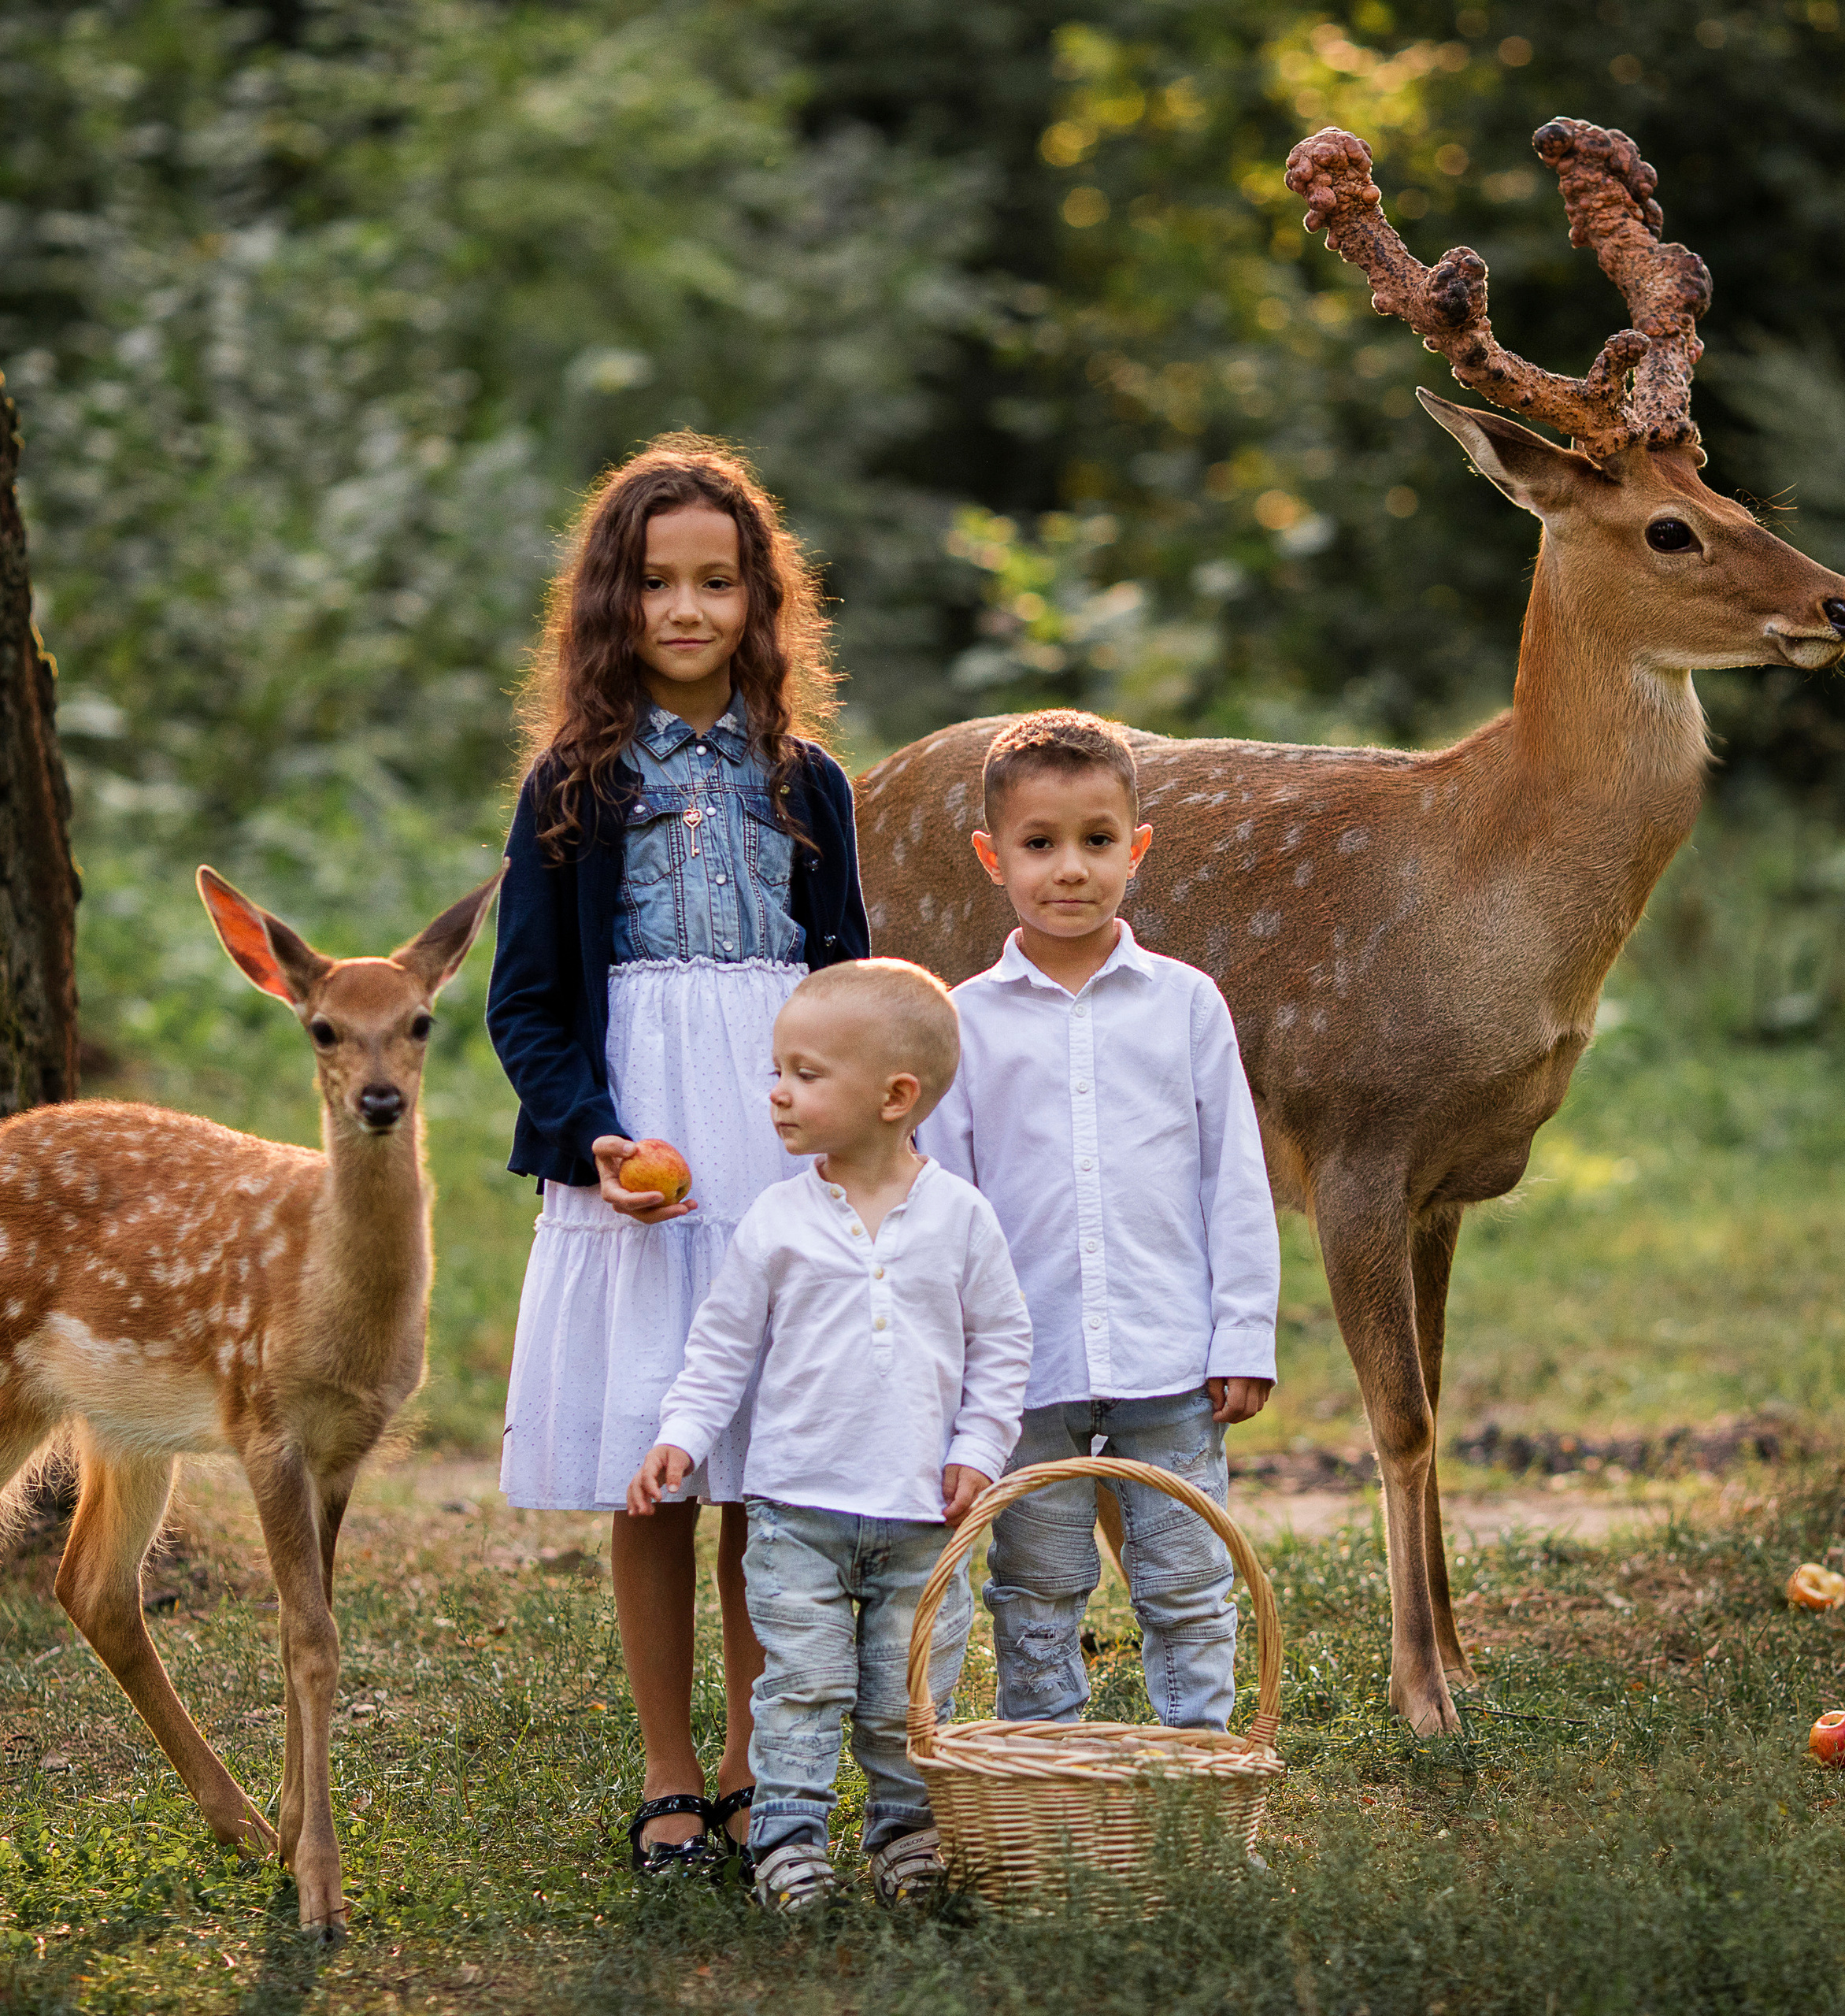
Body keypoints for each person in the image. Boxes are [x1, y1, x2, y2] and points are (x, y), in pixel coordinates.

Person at [487, 434, 869, 1878]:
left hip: (780, 1136)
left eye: (718, 583)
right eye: (658, 584)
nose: (689, 610)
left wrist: (856, 1130)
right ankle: (664, 1771)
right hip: (642, 1140)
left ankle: (756, 1767)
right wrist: (590, 1135)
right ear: (613, 603)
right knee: (660, 1458)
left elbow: (849, 979)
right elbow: (525, 1002)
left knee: (767, 1468)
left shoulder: (809, 782)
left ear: (761, 605)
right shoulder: (572, 784)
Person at [628, 959, 1032, 1912]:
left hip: (921, 1517)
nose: (777, 1091)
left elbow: (1004, 1343)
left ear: (896, 1096)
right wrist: (681, 1435)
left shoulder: (961, 1218)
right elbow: (722, 1346)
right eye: (777, 1069)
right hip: (796, 1511)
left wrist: (976, 1450)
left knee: (905, 1694)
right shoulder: (777, 1220)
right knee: (799, 1688)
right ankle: (788, 1842)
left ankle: (904, 1835)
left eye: (806, 1074)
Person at [917, 708, 1279, 1734]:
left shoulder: (1187, 1005)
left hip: (1174, 1354)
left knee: (1187, 1577)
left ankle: (1199, 1766)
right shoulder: (968, 1021)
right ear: (994, 857)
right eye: (1039, 845)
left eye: (1095, 842)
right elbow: (948, 1199)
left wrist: (1242, 1330)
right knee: (1036, 1586)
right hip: (1024, 1367)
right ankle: (1045, 1767)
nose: (1068, 869)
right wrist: (960, 1361)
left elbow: (1233, 1179)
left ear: (1137, 849)